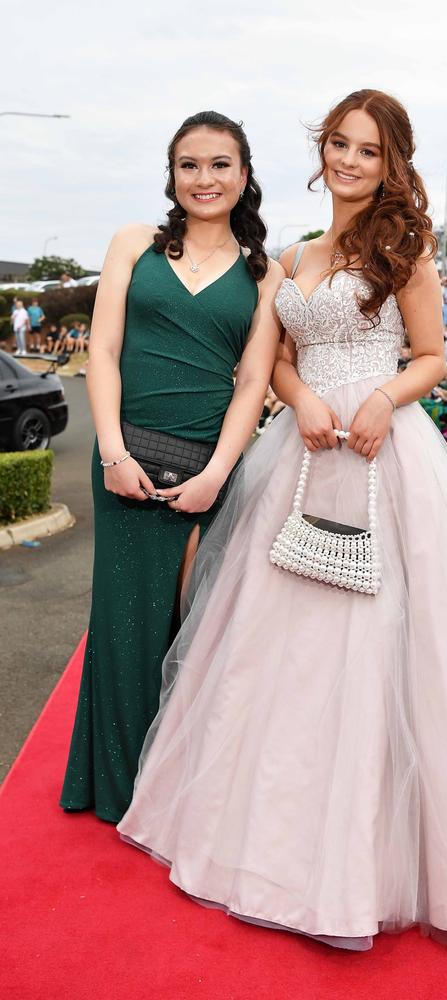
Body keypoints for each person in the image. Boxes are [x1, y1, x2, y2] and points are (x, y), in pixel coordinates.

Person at [118, 90, 447, 951]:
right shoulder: (298, 253)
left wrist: (382, 397)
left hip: (387, 451)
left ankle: (421, 853)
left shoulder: (405, 246)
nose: (350, 161)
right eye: (340, 144)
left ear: (392, 165)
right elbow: (273, 358)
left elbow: (432, 357)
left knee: (404, 642)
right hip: (305, 449)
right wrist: (302, 398)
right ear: (321, 152)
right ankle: (269, 838)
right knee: (279, 647)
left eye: (370, 151)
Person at [60, 111, 284, 824]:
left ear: (244, 175)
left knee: (192, 629)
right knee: (123, 626)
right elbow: (102, 351)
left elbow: (253, 382)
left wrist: (220, 471)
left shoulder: (265, 273)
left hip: (207, 469)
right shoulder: (133, 244)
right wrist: (112, 452)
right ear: (172, 174)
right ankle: (119, 791)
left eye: (220, 164)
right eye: (190, 164)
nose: (204, 178)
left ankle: (176, 788)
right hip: (126, 460)